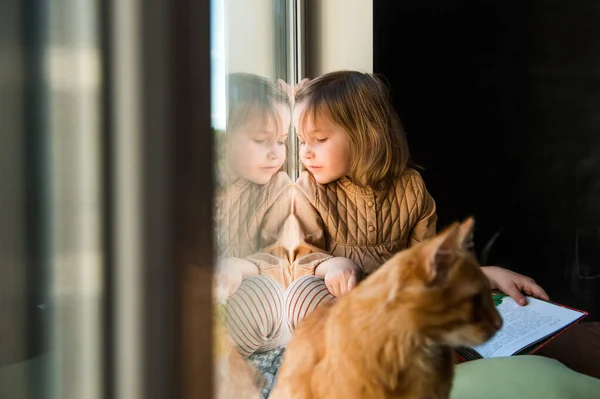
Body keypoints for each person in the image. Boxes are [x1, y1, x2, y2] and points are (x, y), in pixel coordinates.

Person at [284, 70, 550, 330]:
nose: (306, 153)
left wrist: (487, 275)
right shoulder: (308, 191)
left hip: (399, 308)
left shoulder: (410, 186)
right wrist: (331, 265)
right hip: (343, 313)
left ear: (367, 137)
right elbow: (299, 259)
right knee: (302, 295)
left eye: (319, 139)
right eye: (302, 141)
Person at [213, 73, 293, 357]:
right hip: (211, 309)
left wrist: (237, 267)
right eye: (261, 140)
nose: (275, 153)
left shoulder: (278, 190)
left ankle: (219, 368)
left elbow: (284, 262)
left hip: (257, 315)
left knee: (264, 297)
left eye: (281, 141)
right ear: (224, 136)